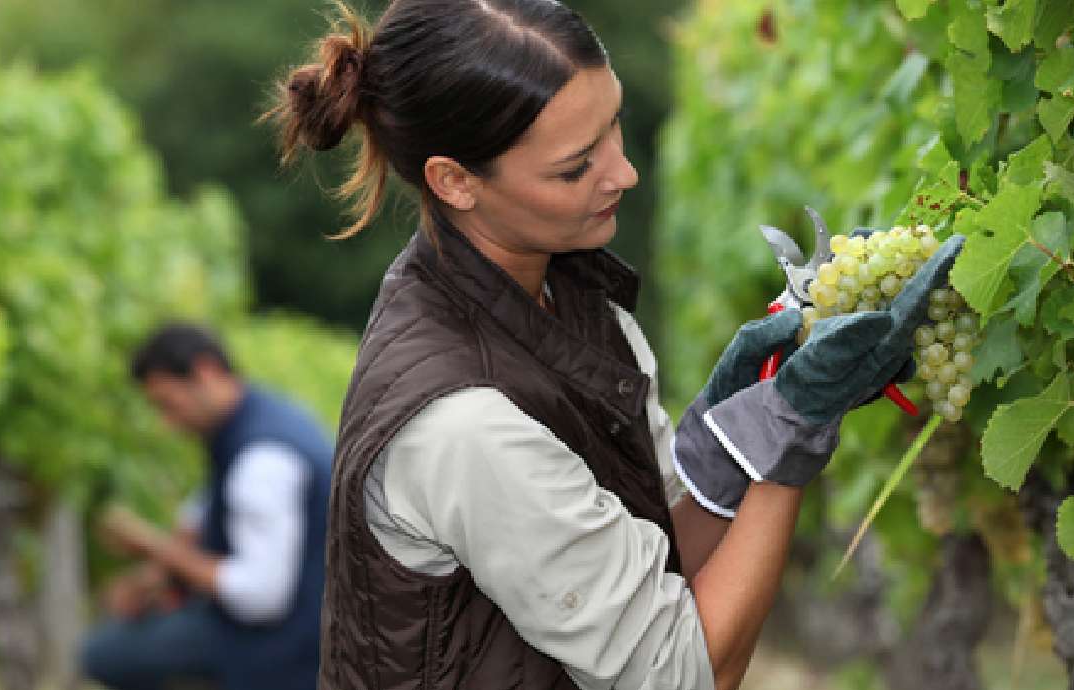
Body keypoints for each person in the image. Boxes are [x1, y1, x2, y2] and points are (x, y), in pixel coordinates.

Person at [266, 2, 964, 689]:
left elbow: (648, 572)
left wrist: (731, 444)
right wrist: (794, 433)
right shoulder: (463, 425)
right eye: (575, 167)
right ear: (455, 182)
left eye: (614, 125)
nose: (622, 173)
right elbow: (686, 672)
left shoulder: (572, 301)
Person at [80, 323, 331, 690]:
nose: (167, 423)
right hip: (292, 628)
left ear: (205, 371)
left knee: (105, 655)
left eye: (168, 405)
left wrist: (153, 545)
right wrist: (153, 579)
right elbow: (200, 518)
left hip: (284, 647)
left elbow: (262, 596)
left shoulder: (262, 460)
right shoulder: (256, 423)